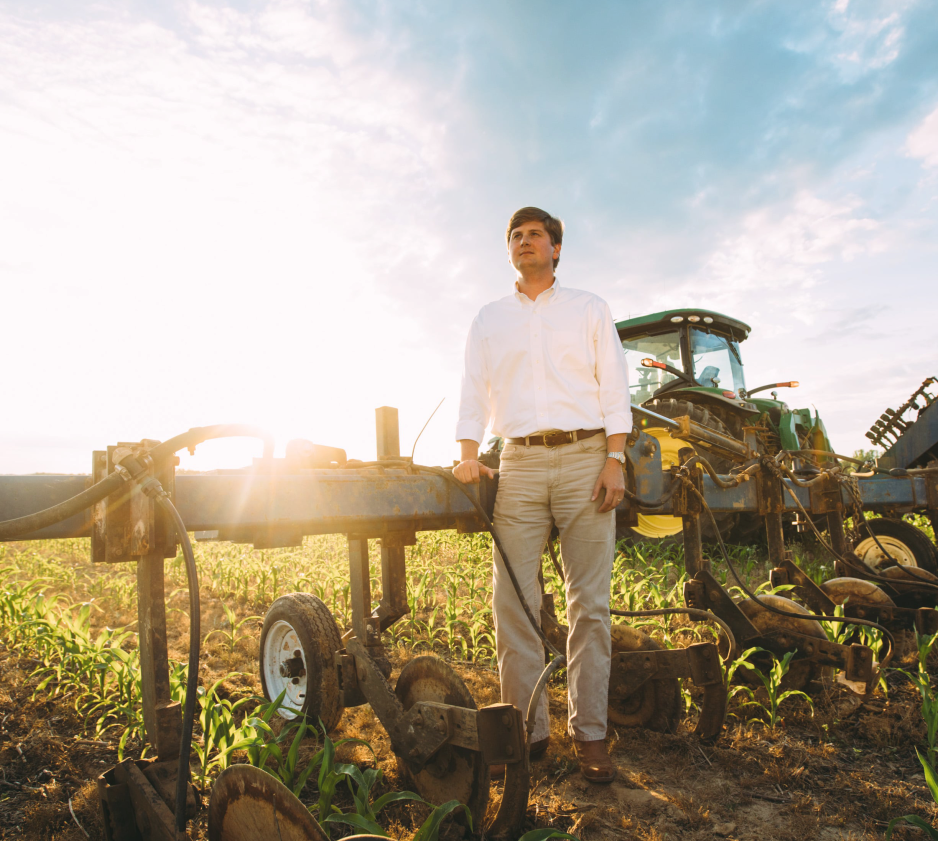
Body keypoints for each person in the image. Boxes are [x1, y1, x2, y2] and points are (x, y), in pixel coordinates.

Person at [453, 206, 632, 783]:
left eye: (536, 235)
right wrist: (467, 453)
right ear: (510, 251)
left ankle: (591, 735)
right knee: (514, 601)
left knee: (590, 606)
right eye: (516, 236)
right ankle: (528, 736)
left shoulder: (589, 308)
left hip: (586, 459)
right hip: (521, 463)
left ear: (556, 249)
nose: (525, 241)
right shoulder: (489, 318)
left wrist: (614, 458)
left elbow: (614, 385)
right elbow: (473, 388)